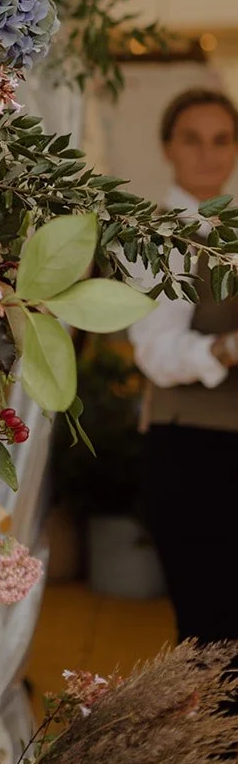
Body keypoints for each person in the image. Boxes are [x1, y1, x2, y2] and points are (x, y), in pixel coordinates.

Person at [131, 87, 238, 645]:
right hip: (194, 454)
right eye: (192, 140)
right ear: (168, 148)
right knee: (209, 638)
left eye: (222, 140)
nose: (207, 154)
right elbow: (155, 353)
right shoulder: (156, 236)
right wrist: (224, 349)